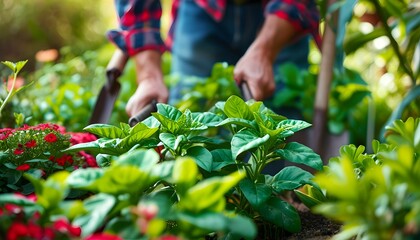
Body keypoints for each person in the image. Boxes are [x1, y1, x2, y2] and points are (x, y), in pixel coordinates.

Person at [108, 0, 321, 118]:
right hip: (202, 9)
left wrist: (265, 50)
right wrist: (148, 76)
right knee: (191, 124)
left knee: (278, 137)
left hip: (283, 12)